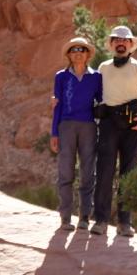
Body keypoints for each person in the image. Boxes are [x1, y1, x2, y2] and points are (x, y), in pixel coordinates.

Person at [91, 25, 137, 237]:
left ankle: (125, 223)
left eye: (125, 40)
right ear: (111, 44)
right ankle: (100, 220)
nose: (121, 43)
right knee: (104, 172)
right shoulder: (103, 67)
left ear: (131, 45)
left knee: (129, 174)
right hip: (109, 123)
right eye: (117, 40)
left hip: (132, 125)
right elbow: (95, 94)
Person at [50, 36, 102, 231]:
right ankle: (65, 217)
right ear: (69, 55)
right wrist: (54, 132)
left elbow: (102, 99)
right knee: (66, 171)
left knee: (88, 171)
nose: (77, 53)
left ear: (88, 54)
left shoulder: (96, 77)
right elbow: (57, 105)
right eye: (74, 50)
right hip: (66, 126)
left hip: (88, 126)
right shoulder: (61, 77)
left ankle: (84, 217)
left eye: (81, 50)